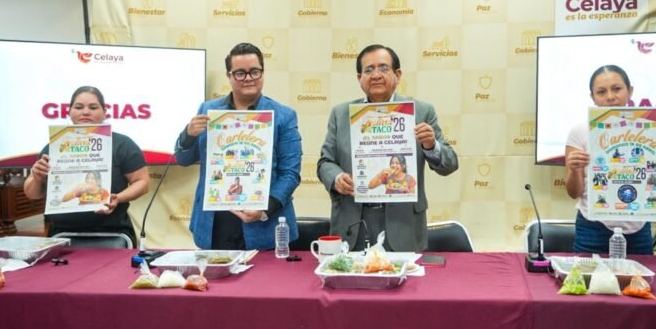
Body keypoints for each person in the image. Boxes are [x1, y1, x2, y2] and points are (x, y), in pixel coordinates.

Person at [317, 44, 458, 252]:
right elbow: (325, 162)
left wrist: (431, 145)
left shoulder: (421, 112)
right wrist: (336, 177)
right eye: (369, 70)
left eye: (383, 68)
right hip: (353, 224)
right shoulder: (340, 114)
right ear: (359, 78)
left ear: (397, 75)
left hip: (404, 226)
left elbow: (450, 164)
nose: (376, 75)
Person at [174, 42, 301, 250]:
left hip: (264, 225)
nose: (248, 78)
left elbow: (290, 174)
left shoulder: (283, 116)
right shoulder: (208, 110)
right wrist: (188, 135)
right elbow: (183, 159)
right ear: (229, 75)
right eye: (240, 73)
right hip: (215, 223)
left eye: (255, 72)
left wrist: (264, 210)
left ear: (263, 73)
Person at [564, 65, 656, 255]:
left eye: (617, 89)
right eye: (601, 92)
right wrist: (573, 170)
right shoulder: (579, 131)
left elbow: (652, 187)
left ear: (630, 91)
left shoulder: (651, 127)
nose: (610, 97)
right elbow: (574, 192)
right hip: (592, 227)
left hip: (638, 228)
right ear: (592, 97)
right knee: (588, 274)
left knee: (638, 275)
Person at [23, 86, 150, 246]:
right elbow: (32, 194)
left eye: (93, 107)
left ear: (104, 112)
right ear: (69, 112)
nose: (85, 112)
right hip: (62, 234)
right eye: (78, 107)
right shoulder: (54, 147)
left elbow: (142, 182)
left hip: (113, 233)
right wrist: (37, 178)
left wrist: (118, 198)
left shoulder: (122, 144)